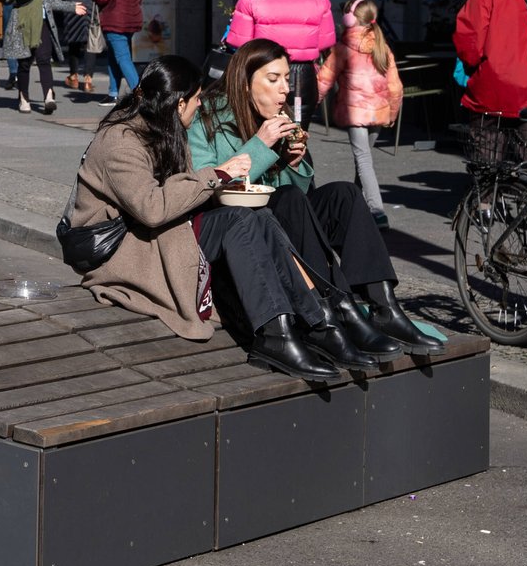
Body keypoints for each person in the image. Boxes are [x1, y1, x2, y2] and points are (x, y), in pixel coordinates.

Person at [66, 56, 351, 381]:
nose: (201, 106)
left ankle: (314, 320)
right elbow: (151, 208)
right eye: (198, 98)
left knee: (256, 216)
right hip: (123, 249)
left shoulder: (165, 128)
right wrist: (217, 174)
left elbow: (182, 193)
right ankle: (276, 334)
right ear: (180, 102)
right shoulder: (121, 141)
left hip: (160, 232)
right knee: (240, 222)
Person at [188, 39, 442, 366]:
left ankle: (384, 306)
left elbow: (296, 197)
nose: (284, 90)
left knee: (343, 195)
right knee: (291, 198)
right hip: (243, 236)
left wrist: (293, 164)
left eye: (286, 79)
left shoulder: (273, 116)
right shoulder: (207, 118)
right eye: (273, 79)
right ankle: (331, 312)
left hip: (285, 222)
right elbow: (209, 185)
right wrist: (261, 145)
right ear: (244, 81)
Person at [222, 0, 334, 121]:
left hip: (264, 74)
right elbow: (326, 43)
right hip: (302, 77)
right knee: (297, 140)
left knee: (264, 137)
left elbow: (239, 43)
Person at [317, 0, 405, 225]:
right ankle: (355, 204)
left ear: (350, 18)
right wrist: (392, 113)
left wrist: (312, 103)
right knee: (363, 159)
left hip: (356, 113)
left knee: (363, 160)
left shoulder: (343, 48)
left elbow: (324, 80)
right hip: (378, 113)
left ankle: (377, 212)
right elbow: (395, 86)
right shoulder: (382, 47)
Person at [2, 0, 61, 115]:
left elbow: (54, 1)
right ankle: (24, 98)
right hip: (22, 22)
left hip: (42, 22)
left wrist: (73, 7)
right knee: (24, 63)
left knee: (44, 59)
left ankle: (49, 97)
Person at [90, 0, 146, 105]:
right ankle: (113, 93)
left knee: (122, 58)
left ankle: (140, 94)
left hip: (114, 19)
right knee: (115, 56)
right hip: (131, 18)